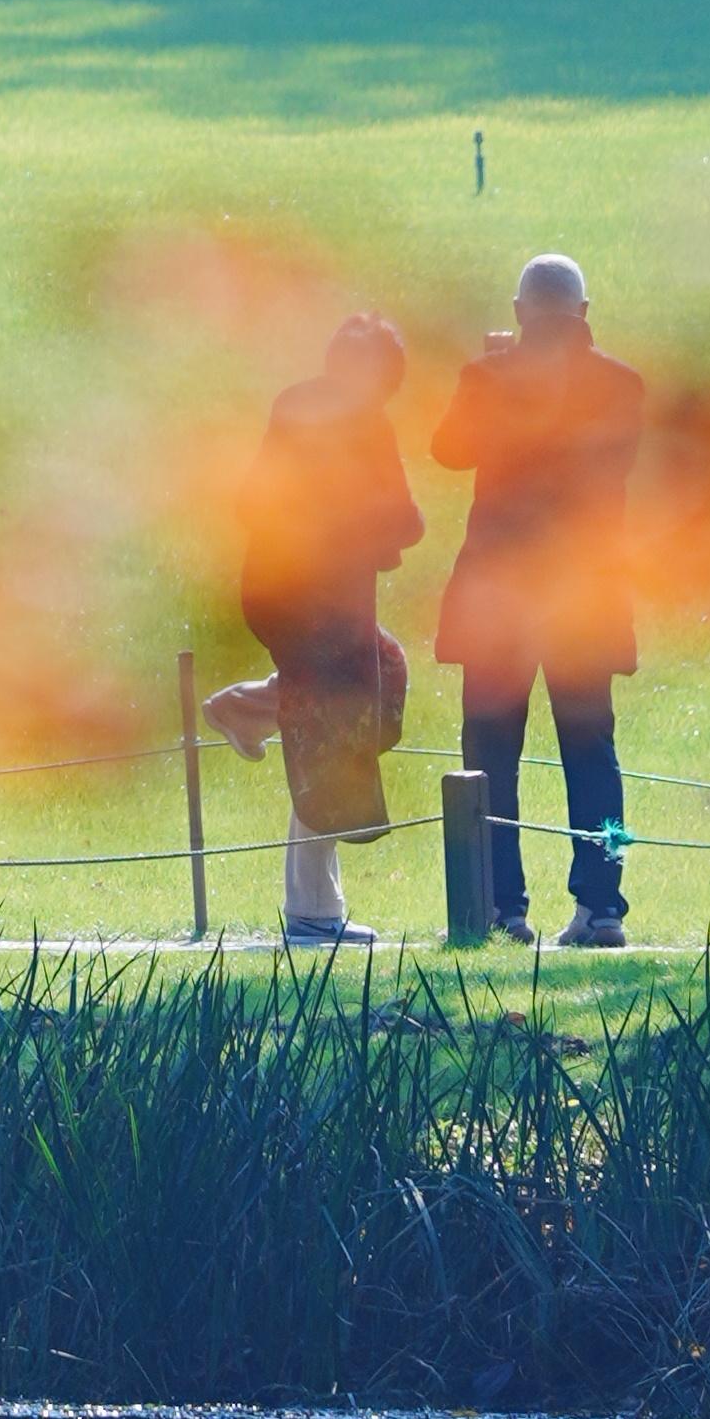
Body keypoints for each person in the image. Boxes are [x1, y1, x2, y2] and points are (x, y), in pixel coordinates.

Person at [432, 257, 644, 945]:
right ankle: (604, 904)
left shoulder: (488, 379)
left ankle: (500, 906)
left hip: (502, 599)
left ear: (520, 311)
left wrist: (493, 368)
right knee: (596, 759)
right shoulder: (622, 384)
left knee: (491, 756)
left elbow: (446, 450)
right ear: (585, 313)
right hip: (585, 597)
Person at [208, 314, 420, 945]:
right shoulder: (367, 421)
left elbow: (249, 501)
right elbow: (404, 521)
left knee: (363, 688)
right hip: (321, 606)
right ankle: (313, 913)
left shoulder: (293, 406)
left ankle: (245, 707)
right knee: (329, 729)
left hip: (278, 596)